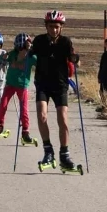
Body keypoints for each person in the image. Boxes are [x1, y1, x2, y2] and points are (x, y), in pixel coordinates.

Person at [29, 10, 80, 170]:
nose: (54, 30)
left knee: (63, 119)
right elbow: (29, 55)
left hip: (60, 84)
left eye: (57, 27)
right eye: (51, 26)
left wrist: (75, 59)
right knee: (42, 115)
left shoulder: (66, 42)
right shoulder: (39, 41)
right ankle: (48, 151)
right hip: (43, 83)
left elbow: (73, 59)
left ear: (61, 27)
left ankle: (64, 155)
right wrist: (26, 50)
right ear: (46, 26)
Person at [0, 33, 37, 144]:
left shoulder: (31, 57)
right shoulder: (13, 54)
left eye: (19, 46)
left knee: (24, 109)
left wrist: (33, 50)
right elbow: (3, 59)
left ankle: (25, 132)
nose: (17, 48)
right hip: (10, 84)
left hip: (22, 86)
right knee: (3, 104)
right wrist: (2, 59)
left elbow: (40, 62)